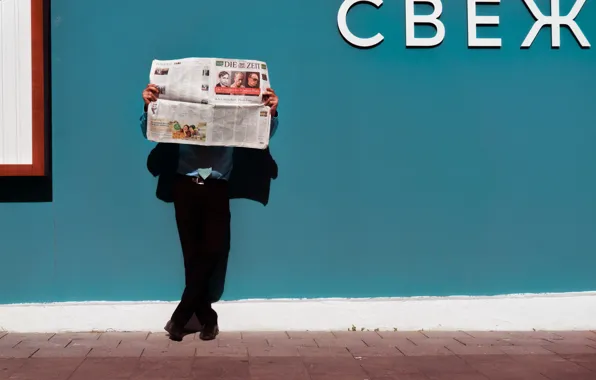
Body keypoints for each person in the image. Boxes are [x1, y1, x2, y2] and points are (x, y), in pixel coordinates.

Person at [140, 84, 279, 341]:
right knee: (192, 254)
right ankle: (208, 319)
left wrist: (271, 110)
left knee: (215, 249)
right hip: (185, 184)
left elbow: (261, 135)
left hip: (216, 185)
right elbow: (148, 131)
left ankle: (181, 316)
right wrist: (150, 106)